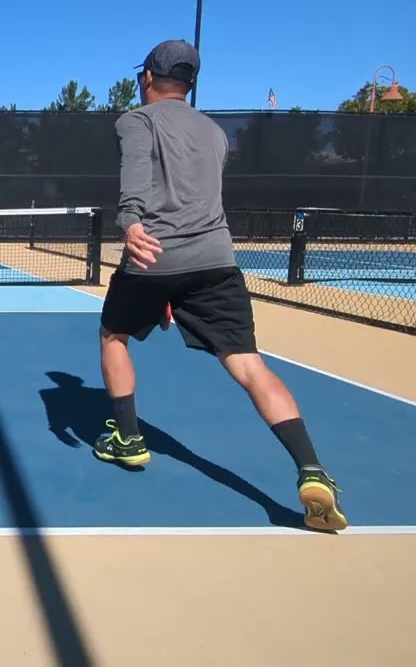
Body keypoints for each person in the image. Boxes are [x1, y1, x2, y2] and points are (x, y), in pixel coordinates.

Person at [93, 39, 347, 531]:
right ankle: (312, 470)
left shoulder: (135, 121)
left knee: (113, 335)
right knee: (249, 365)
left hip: (153, 256)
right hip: (216, 261)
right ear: (190, 84)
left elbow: (136, 181)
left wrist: (129, 224)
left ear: (146, 77)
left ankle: (128, 439)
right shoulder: (213, 132)